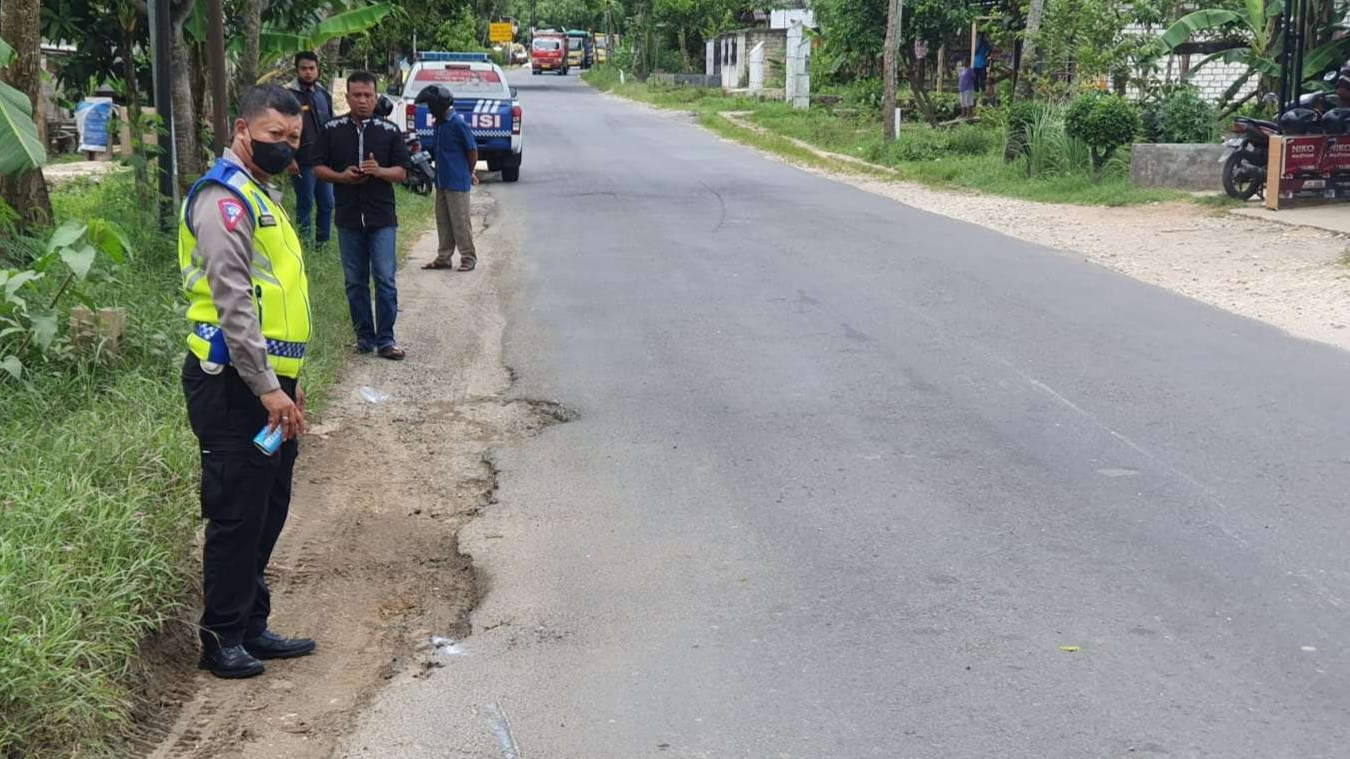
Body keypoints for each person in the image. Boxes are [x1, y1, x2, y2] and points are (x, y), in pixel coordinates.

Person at [178, 84, 316, 679]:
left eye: (293, 139)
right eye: (273, 137)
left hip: (268, 381)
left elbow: (278, 298)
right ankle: (221, 637)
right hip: (232, 383)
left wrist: (290, 379)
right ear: (242, 128)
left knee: (268, 505)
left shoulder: (263, 195)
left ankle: (251, 625)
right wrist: (267, 386)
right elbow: (234, 302)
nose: (285, 147)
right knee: (236, 511)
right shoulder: (224, 198)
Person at [314, 70, 410, 360]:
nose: (363, 101)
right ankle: (364, 338)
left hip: (381, 217)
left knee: (384, 278)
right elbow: (317, 167)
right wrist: (341, 177)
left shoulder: (389, 131)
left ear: (376, 96)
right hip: (348, 217)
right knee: (355, 280)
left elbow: (402, 172)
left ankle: (386, 339)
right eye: (357, 95)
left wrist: (378, 171)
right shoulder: (331, 130)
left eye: (368, 95)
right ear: (347, 97)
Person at [415, 84, 481, 273]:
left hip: (457, 181)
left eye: (430, 106)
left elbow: (472, 151)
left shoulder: (457, 123)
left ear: (438, 105)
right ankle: (444, 257)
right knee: (443, 220)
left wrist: (469, 172)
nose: (428, 109)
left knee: (460, 220)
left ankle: (468, 257)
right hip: (442, 180)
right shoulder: (439, 124)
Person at [286, 52, 335, 247]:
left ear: (318, 70)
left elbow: (331, 126)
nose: (308, 72)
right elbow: (283, 129)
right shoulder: (289, 96)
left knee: (327, 203)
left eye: (311, 68)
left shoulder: (323, 95)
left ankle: (322, 245)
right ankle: (303, 247)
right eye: (303, 68)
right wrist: (289, 158)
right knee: (305, 204)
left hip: (324, 160)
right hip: (302, 161)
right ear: (297, 70)